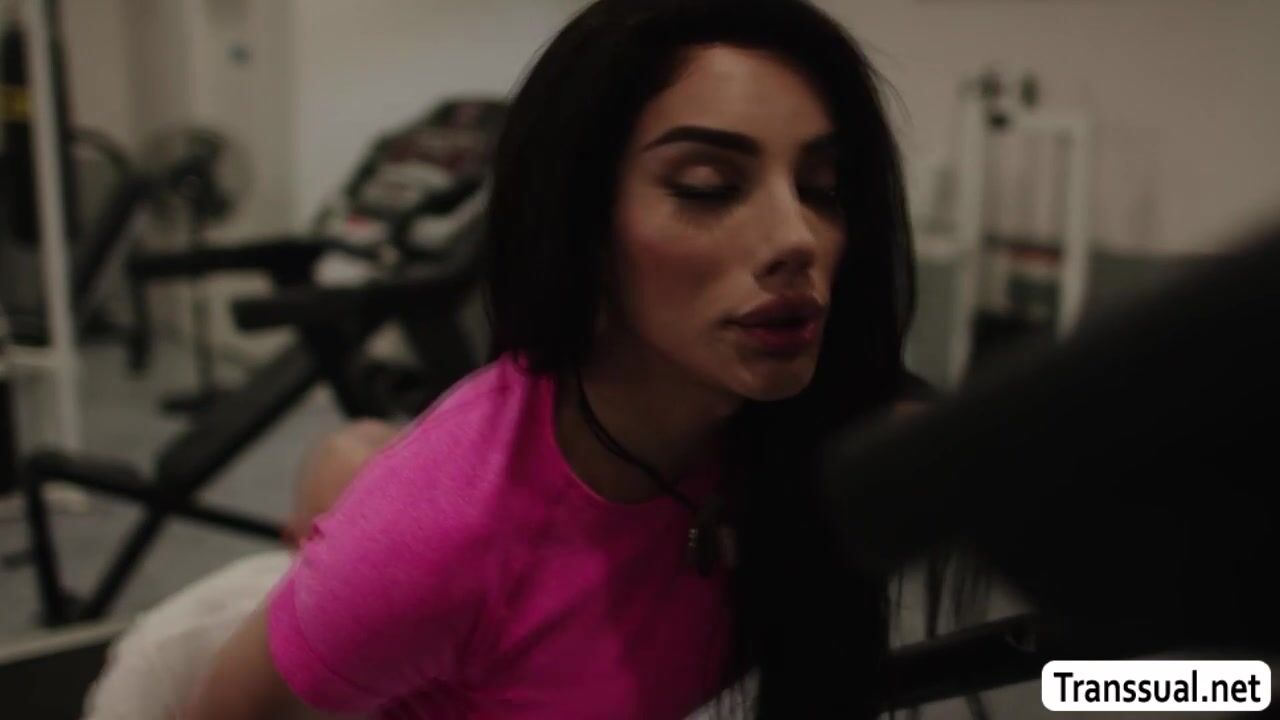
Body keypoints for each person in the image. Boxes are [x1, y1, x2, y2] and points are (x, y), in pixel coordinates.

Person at [183, 0, 921, 718]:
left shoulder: (795, 431)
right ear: (582, 221)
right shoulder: (442, 535)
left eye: (823, 189)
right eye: (709, 188)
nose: (797, 237)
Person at [80, 420, 400, 720]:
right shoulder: (176, 647)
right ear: (293, 542)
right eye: (336, 543)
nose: (365, 572)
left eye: (386, 546)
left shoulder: (416, 626)